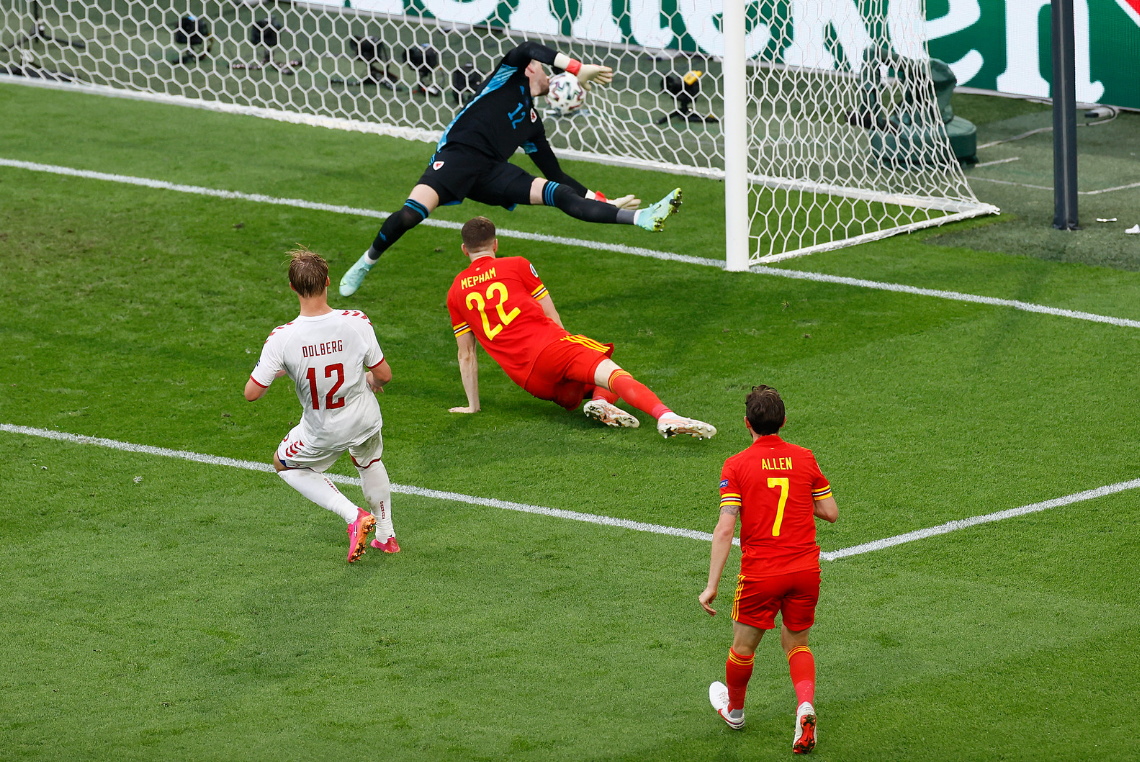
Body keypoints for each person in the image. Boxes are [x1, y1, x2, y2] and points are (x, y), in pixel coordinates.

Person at [338, 40, 683, 297]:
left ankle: (642, 218)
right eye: (544, 67)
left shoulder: (533, 124)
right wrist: (576, 68)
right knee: (412, 215)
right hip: (458, 157)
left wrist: (603, 200)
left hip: (492, 172)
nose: (543, 68)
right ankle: (367, 261)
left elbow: (557, 174)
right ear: (533, 69)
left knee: (558, 193)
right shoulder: (507, 77)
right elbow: (527, 47)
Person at [446, 216, 716, 439]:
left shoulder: (455, 291)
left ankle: (599, 402)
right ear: (495, 244)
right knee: (612, 371)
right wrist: (565, 343)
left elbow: (466, 355)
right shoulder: (516, 264)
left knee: (590, 381)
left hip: (530, 380)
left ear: (464, 249)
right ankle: (665, 416)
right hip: (551, 348)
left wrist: (473, 406)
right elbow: (549, 311)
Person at [698, 385, 838, 753]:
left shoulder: (737, 464)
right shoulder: (804, 458)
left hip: (762, 574)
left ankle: (736, 711)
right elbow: (830, 512)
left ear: (747, 424)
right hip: (806, 570)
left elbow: (726, 527)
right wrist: (793, 499)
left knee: (743, 649)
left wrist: (711, 584)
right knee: (797, 641)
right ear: (784, 421)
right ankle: (805, 706)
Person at [244, 247, 399, 562]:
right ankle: (386, 536)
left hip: (323, 429)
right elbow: (383, 374)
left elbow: (252, 393)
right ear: (328, 282)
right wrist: (371, 382)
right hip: (365, 417)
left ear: (292, 288)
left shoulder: (282, 339)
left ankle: (352, 514)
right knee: (369, 462)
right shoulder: (356, 321)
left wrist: (281, 365)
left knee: (284, 464)